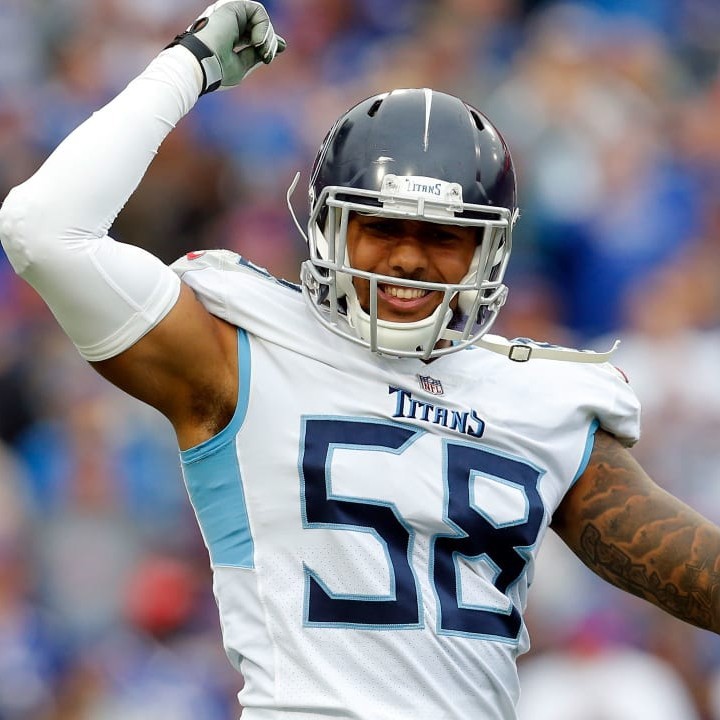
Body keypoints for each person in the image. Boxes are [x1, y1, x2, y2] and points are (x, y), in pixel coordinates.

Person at [0, 2, 719, 718]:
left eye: (443, 236)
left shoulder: (539, 397)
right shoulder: (241, 351)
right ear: (329, 230)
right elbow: (42, 229)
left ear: (490, 251)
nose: (407, 258)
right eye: (381, 226)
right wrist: (187, 67)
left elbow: (696, 573)